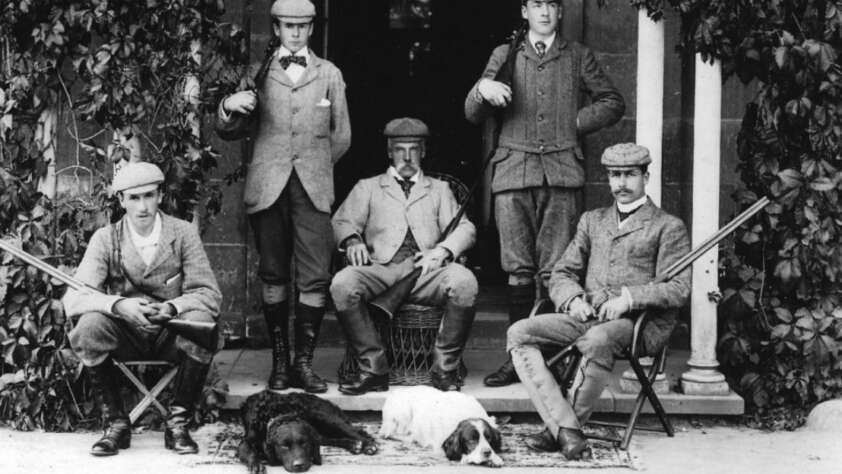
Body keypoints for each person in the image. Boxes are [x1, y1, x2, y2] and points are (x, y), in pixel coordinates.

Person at [464, 0, 625, 387]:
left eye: (552, 4)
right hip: (513, 173)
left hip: (560, 172)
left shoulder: (577, 56)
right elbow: (473, 114)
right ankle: (516, 359)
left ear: (560, 12)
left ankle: (554, 359)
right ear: (524, 11)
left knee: (557, 270)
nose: (545, 12)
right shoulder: (504, 54)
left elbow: (612, 102)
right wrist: (482, 89)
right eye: (537, 4)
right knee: (518, 269)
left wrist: (573, 122)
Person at [506, 143, 691, 459]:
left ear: (646, 176)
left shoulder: (667, 226)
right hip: (587, 315)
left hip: (637, 326)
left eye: (630, 175)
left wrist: (629, 298)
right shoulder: (593, 220)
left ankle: (563, 430)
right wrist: (573, 299)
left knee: (596, 340)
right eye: (615, 175)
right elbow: (561, 271)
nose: (621, 183)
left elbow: (679, 288)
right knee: (519, 332)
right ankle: (565, 428)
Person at [215, 0, 351, 393]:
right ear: (275, 29)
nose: (295, 33)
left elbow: (341, 136)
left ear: (311, 28)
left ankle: (303, 365)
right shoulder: (256, 74)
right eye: (288, 26)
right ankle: (279, 362)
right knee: (273, 274)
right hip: (268, 187)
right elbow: (229, 130)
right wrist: (228, 104)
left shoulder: (329, 74)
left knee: (315, 276)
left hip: (312, 188)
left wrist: (314, 164)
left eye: (303, 26)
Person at [64, 162, 222, 457]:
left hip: (171, 337)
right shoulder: (105, 238)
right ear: (121, 201)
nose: (142, 206)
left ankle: (177, 423)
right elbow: (74, 298)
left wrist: (174, 306)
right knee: (88, 327)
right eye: (133, 198)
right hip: (125, 337)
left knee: (202, 320)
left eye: (149, 195)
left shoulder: (183, 233)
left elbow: (208, 294)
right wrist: (118, 304)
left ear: (160, 195)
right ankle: (116, 424)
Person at [330, 118, 478, 394]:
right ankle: (373, 368)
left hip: (426, 273)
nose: (407, 157)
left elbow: (466, 228)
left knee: (465, 282)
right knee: (342, 284)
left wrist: (443, 250)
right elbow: (342, 222)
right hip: (381, 270)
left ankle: (444, 369)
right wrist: (352, 241)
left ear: (423, 152)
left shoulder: (439, 189)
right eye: (400, 150)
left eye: (413, 149)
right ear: (389, 152)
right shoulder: (368, 187)